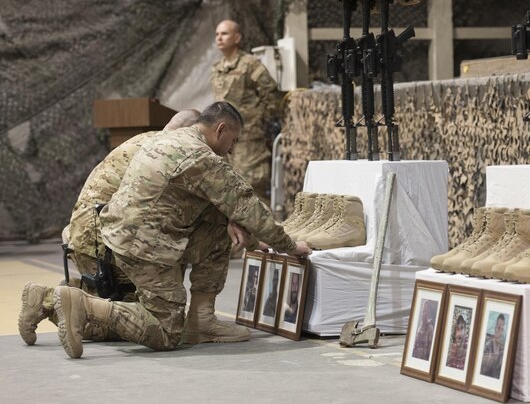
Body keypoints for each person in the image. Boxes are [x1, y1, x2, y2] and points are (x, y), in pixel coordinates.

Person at [52, 101, 311, 358]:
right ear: (221, 129)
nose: (231, 149)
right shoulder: (200, 157)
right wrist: (289, 246)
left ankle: (201, 322)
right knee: (166, 332)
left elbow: (221, 208)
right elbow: (246, 204)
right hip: (142, 246)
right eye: (233, 141)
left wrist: (253, 239)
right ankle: (84, 306)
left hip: (118, 236)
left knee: (218, 232)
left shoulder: (166, 140)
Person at [18, 109, 201, 346]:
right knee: (141, 319)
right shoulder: (173, 155)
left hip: (80, 236)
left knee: (110, 307)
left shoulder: (141, 140)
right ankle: (50, 299)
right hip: (105, 243)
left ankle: (46, 298)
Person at [210, 19, 279, 203]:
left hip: (248, 140)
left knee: (252, 188)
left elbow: (271, 94)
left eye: (224, 34)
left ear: (237, 37)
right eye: (217, 34)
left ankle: (263, 231)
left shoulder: (250, 65)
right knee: (227, 189)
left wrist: (258, 120)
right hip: (222, 140)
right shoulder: (216, 69)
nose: (219, 38)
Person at [480, 313, 506, 379]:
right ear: (495, 328)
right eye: (498, 328)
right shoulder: (488, 345)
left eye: (502, 329)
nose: (499, 331)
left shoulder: (503, 349)